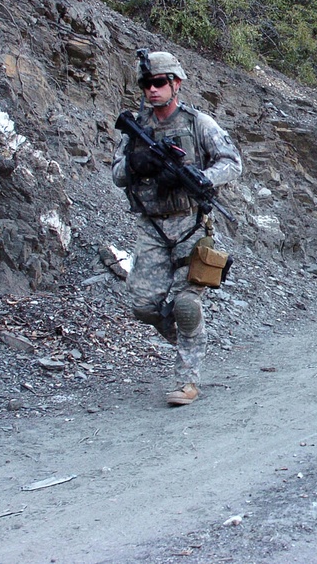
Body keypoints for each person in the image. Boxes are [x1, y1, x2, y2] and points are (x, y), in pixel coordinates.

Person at [112, 50, 243, 406]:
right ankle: (193, 338)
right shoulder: (137, 128)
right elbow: (116, 174)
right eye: (146, 84)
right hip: (152, 229)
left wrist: (200, 177)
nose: (151, 90)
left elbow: (232, 162)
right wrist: (138, 164)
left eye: (159, 83)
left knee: (186, 305)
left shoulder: (199, 123)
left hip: (190, 225)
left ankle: (188, 380)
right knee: (143, 306)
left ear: (176, 84)